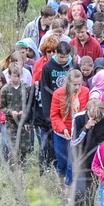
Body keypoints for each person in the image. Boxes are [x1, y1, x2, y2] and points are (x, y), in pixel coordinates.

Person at [34, 42, 75, 172]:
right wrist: (48, 114)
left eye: (66, 57)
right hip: (53, 107)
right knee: (51, 142)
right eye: (61, 57)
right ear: (56, 53)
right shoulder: (48, 67)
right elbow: (44, 91)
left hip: (69, 109)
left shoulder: (73, 66)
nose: (63, 60)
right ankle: (50, 167)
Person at [50, 68, 89, 190]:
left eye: (79, 84)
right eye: (74, 84)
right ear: (68, 83)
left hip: (77, 134)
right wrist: (63, 129)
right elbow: (54, 116)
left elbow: (86, 113)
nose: (77, 87)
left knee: (72, 163)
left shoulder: (86, 92)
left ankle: (69, 188)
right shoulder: (58, 94)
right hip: (62, 134)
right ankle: (60, 184)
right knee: (62, 162)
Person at [0, 61, 34, 164]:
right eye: (14, 76)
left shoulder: (27, 88)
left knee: (24, 147)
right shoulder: (5, 90)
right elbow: (2, 107)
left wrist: (26, 114)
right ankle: (13, 167)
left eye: (18, 76)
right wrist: (10, 112)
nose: (16, 79)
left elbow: (31, 105)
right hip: (11, 123)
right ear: (9, 75)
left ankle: (23, 166)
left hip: (24, 123)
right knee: (13, 147)